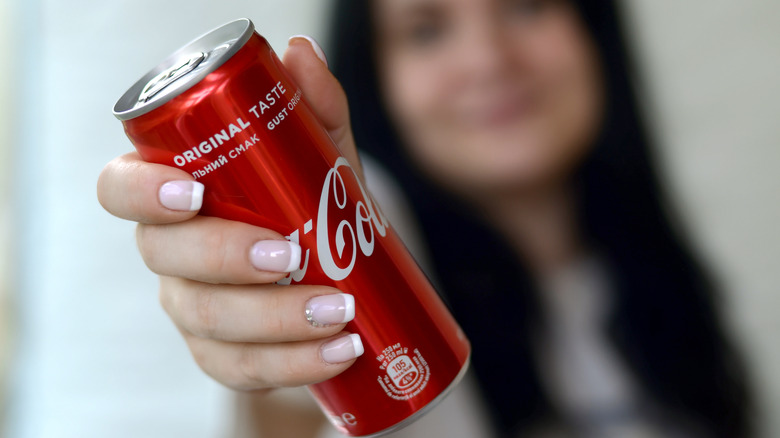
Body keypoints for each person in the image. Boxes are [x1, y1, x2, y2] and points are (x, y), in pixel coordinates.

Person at [98, 0, 753, 436]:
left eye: (524, 5)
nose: (490, 60)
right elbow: (288, 411)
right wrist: (270, 351)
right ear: (374, 77)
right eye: (427, 29)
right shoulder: (376, 216)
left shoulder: (668, 286)